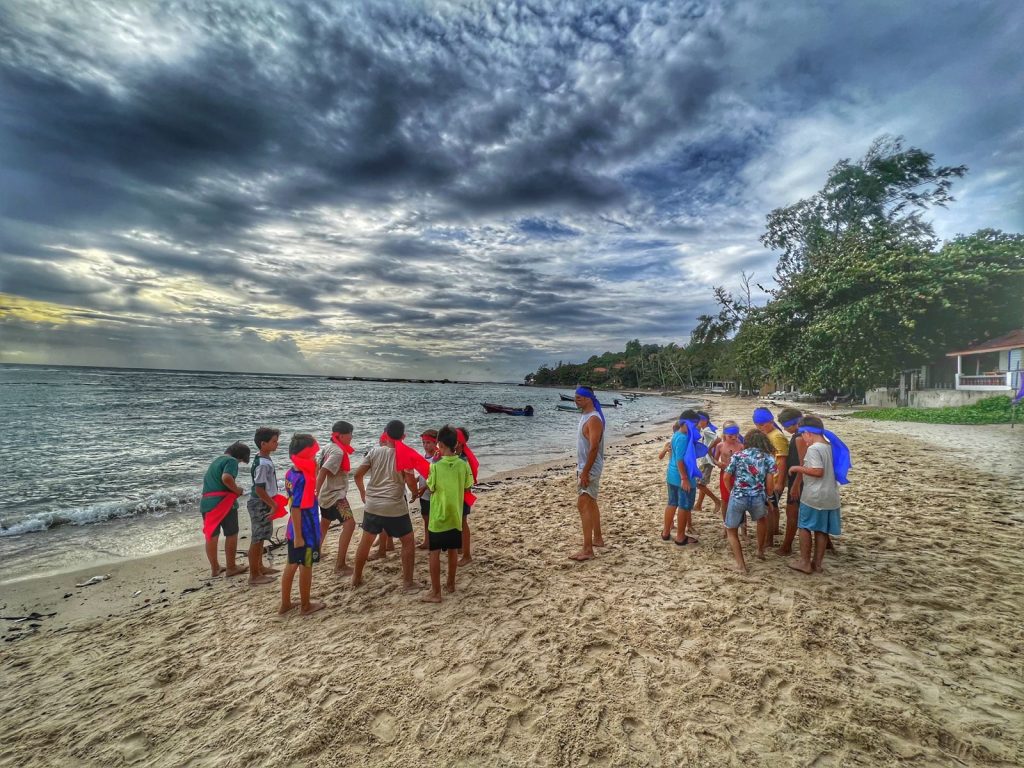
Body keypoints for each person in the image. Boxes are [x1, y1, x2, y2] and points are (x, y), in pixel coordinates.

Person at [352, 420, 424, 591]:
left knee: (365, 542)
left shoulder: (374, 451)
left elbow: (357, 475)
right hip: (394, 506)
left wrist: (363, 493)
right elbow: (409, 481)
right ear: (404, 436)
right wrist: (415, 493)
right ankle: (408, 582)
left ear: (385, 433)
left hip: (373, 505)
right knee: (408, 542)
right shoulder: (404, 454)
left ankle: (356, 578)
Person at [788, 416, 850, 574]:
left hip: (814, 496)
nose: (802, 439)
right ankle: (817, 564)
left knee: (804, 527)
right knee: (821, 530)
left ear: (808, 433)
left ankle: (804, 562)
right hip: (830, 496)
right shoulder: (828, 446)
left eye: (802, 435)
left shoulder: (814, 448)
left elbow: (817, 471)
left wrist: (797, 468)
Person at [422, 426, 473, 603]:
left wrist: (434, 464)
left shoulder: (435, 466)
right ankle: (450, 584)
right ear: (457, 444)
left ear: (441, 445)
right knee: (452, 551)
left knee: (434, 553)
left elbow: (431, 486)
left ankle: (436, 592)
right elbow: (468, 485)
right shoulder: (463, 464)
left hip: (438, 516)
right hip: (455, 516)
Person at [279, 433, 325, 615]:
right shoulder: (302, 478)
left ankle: (285, 604)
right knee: (306, 565)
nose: (315, 458)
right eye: (313, 455)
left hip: (295, 528)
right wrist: (299, 536)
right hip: (303, 530)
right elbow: (296, 508)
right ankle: (306, 606)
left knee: (291, 563)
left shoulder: (291, 472)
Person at [722, 429, 776, 572]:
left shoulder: (738, 456)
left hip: (739, 496)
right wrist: (768, 498)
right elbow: (770, 485)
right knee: (761, 521)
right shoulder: (769, 458)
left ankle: (741, 565)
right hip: (758, 497)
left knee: (731, 530)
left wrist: (732, 492)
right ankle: (760, 551)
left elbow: (726, 478)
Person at [199, 441, 251, 578]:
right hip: (223, 503)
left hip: (206, 503)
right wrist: (237, 490)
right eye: (241, 461)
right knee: (231, 533)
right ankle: (231, 567)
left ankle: (215, 568)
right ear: (240, 457)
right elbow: (226, 478)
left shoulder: (217, 461)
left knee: (211, 535)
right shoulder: (232, 461)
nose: (239, 464)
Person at [315, 420, 357, 574]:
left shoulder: (327, 447)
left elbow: (316, 466)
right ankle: (340, 565)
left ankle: (315, 553)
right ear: (340, 435)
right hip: (335, 497)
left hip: (326, 495)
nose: (351, 437)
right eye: (350, 434)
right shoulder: (338, 452)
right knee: (350, 524)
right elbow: (323, 471)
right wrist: (315, 491)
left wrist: (317, 492)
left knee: (324, 523)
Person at [571, 386, 605, 561]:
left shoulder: (593, 419)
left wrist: (585, 472)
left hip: (589, 467)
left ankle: (587, 549)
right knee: (590, 502)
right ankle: (597, 538)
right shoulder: (586, 416)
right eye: (575, 398)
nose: (575, 401)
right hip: (587, 466)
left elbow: (593, 448)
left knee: (583, 504)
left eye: (578, 398)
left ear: (588, 399)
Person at [661, 409, 702, 547]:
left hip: (671, 475)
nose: (697, 427)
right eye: (695, 424)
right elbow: (680, 460)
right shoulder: (684, 438)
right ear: (688, 423)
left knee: (672, 503)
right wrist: (684, 478)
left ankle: (666, 532)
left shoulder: (677, 435)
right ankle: (680, 536)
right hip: (681, 477)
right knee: (684, 506)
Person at [247, 427, 281, 586]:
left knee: (262, 537)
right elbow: (259, 488)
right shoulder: (262, 464)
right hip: (260, 503)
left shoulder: (263, 458)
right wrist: (273, 504)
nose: (277, 444)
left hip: (265, 501)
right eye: (274, 441)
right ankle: (254, 575)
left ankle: (259, 566)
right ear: (263, 444)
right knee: (257, 538)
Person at [753, 407, 790, 547]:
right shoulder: (769, 434)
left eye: (762, 425)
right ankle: (774, 531)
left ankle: (768, 540)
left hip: (773, 480)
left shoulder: (776, 436)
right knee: (773, 507)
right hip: (769, 479)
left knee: (768, 509)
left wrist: (780, 482)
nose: (760, 428)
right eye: (757, 425)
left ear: (771, 422)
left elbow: (782, 460)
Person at [775, 408, 804, 556]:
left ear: (795, 424)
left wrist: (796, 484)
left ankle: (787, 546)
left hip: (798, 482)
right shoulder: (805, 434)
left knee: (792, 512)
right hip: (799, 481)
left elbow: (802, 463)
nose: (785, 430)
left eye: (786, 427)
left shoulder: (799, 437)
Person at [455, 427, 479, 566]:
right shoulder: (454, 455)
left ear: (459, 442)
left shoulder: (464, 459)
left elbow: (467, 484)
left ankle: (467, 555)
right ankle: (460, 547)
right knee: (457, 523)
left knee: (462, 523)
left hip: (462, 496)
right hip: (455, 495)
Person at [714, 421, 744, 533]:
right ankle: (726, 525)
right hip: (725, 474)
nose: (733, 438)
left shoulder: (741, 446)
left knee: (740, 500)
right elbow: (714, 459)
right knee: (725, 500)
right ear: (724, 435)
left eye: (736, 435)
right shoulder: (720, 445)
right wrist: (718, 463)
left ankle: (743, 528)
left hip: (738, 475)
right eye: (730, 436)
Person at [415, 429, 439, 550]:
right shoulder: (424, 456)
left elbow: (438, 477)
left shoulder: (438, 458)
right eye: (424, 442)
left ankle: (436, 540)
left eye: (428, 443)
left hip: (434, 493)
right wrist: (416, 480)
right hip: (423, 494)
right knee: (426, 518)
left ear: (436, 443)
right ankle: (427, 540)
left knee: (434, 519)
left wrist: (426, 487)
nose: (425, 445)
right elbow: (423, 473)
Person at [694, 412, 721, 517]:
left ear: (704, 420)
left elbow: (718, 439)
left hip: (706, 461)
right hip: (705, 460)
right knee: (702, 483)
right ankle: (698, 505)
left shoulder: (706, 430)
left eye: (699, 420)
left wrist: (708, 448)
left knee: (699, 484)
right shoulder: (708, 428)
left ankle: (717, 501)